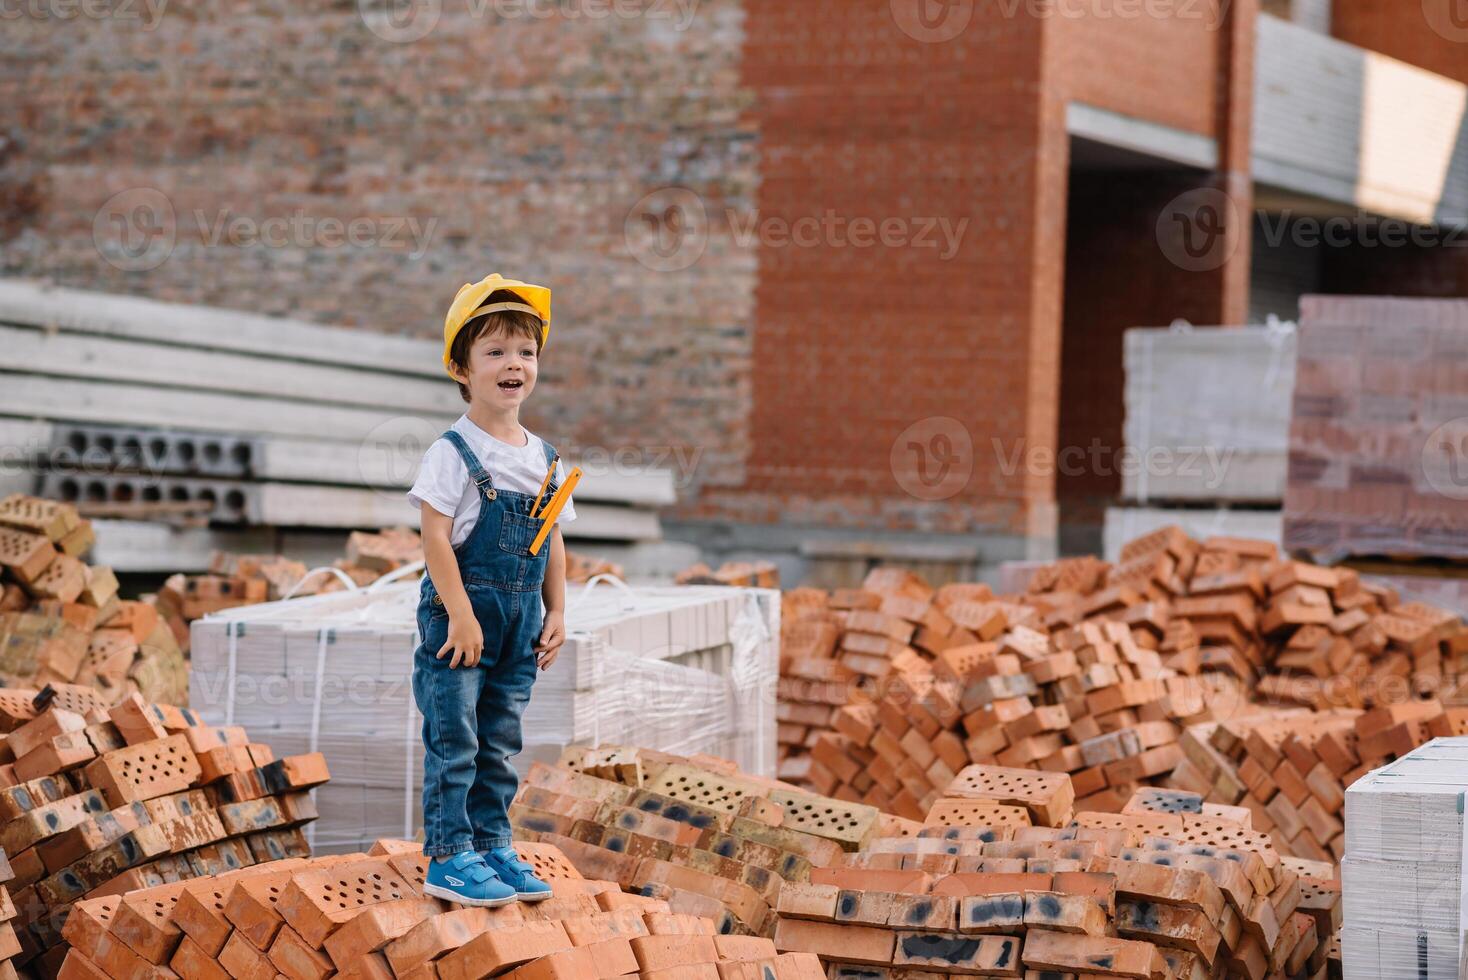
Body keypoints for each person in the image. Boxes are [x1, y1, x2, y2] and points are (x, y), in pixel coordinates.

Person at [406, 273, 573, 906]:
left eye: (525, 352)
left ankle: (491, 844)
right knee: (457, 739)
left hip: (521, 619)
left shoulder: (546, 460)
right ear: (461, 367)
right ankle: (449, 856)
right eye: (495, 352)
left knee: (500, 740)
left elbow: (550, 539)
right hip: (461, 620)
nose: (514, 364)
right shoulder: (452, 451)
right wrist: (460, 616)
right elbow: (434, 541)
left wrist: (557, 608)